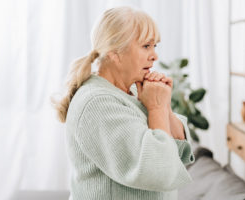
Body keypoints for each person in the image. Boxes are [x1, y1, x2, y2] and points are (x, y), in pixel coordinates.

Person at [51, 6, 195, 200]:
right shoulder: (97, 103)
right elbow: (159, 170)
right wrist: (156, 108)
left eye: (155, 46)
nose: (155, 56)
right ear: (114, 52)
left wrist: (164, 107)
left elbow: (176, 151)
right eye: (146, 46)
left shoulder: (132, 92)